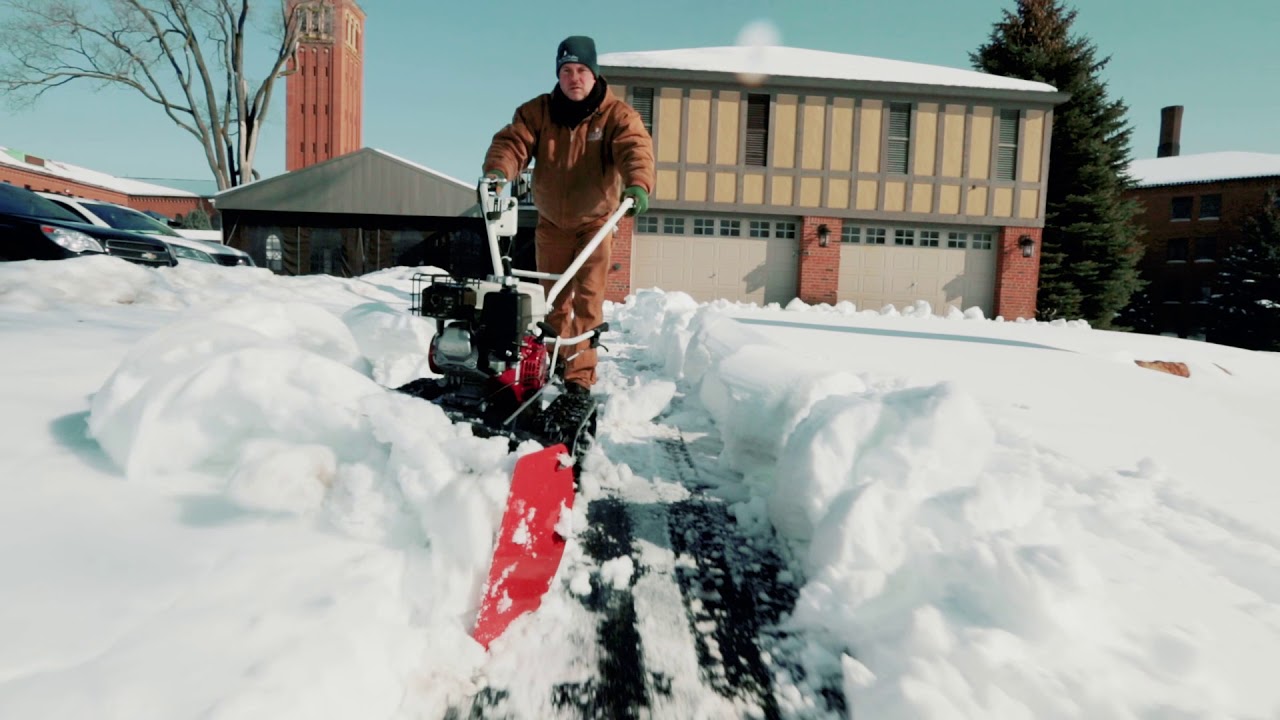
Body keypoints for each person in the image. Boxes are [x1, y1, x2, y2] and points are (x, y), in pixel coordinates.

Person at [482, 35, 655, 397]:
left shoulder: (617, 115)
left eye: (581, 70)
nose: (574, 78)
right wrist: (498, 173)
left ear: (594, 74)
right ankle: (552, 363)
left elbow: (635, 148)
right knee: (552, 303)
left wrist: (638, 184)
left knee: (587, 302)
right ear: (558, 75)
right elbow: (513, 144)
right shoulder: (538, 112)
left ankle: (579, 377)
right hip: (552, 223)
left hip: (595, 223)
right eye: (566, 71)